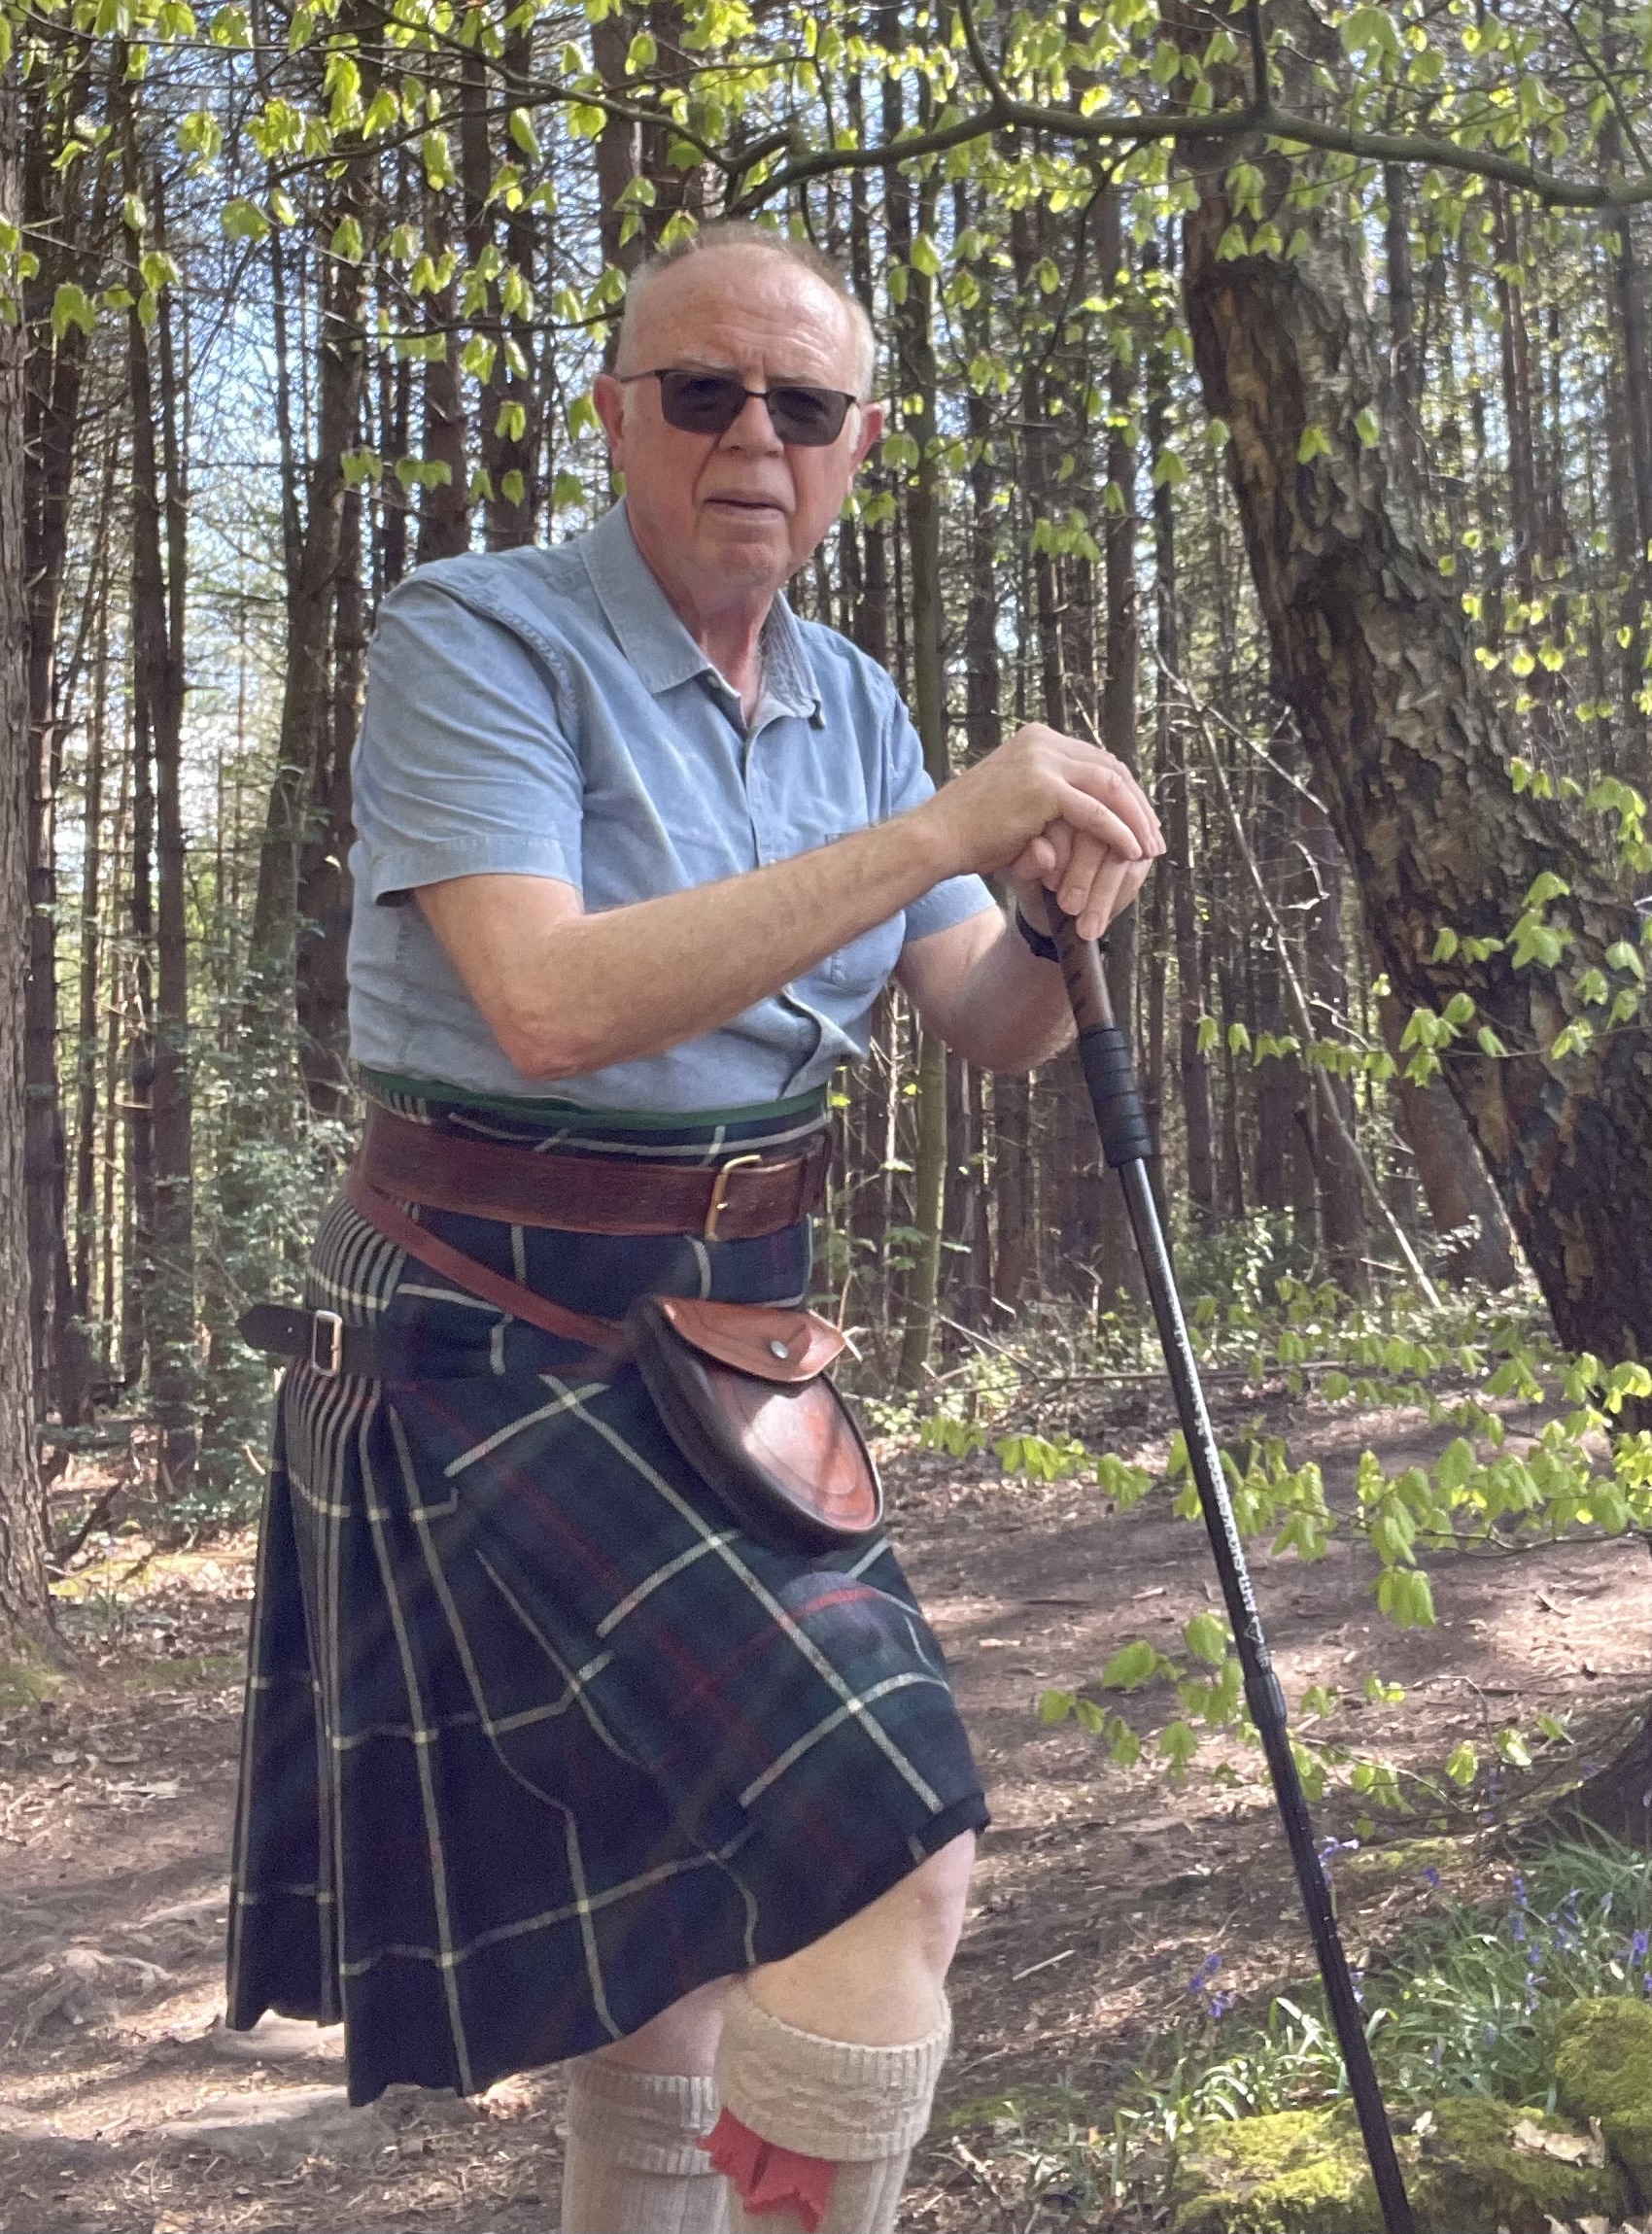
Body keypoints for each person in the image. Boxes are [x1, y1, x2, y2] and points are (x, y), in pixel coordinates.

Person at [226, 220, 1162, 2234]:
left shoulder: (854, 700)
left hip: (742, 1334)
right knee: (888, 1851)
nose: (755, 437)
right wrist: (938, 830)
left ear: (858, 446)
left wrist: (1047, 916)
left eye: (803, 405)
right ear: (615, 414)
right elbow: (547, 1002)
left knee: (680, 1949)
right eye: (703, 391)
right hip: (482, 1319)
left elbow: (983, 1020)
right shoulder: (477, 636)